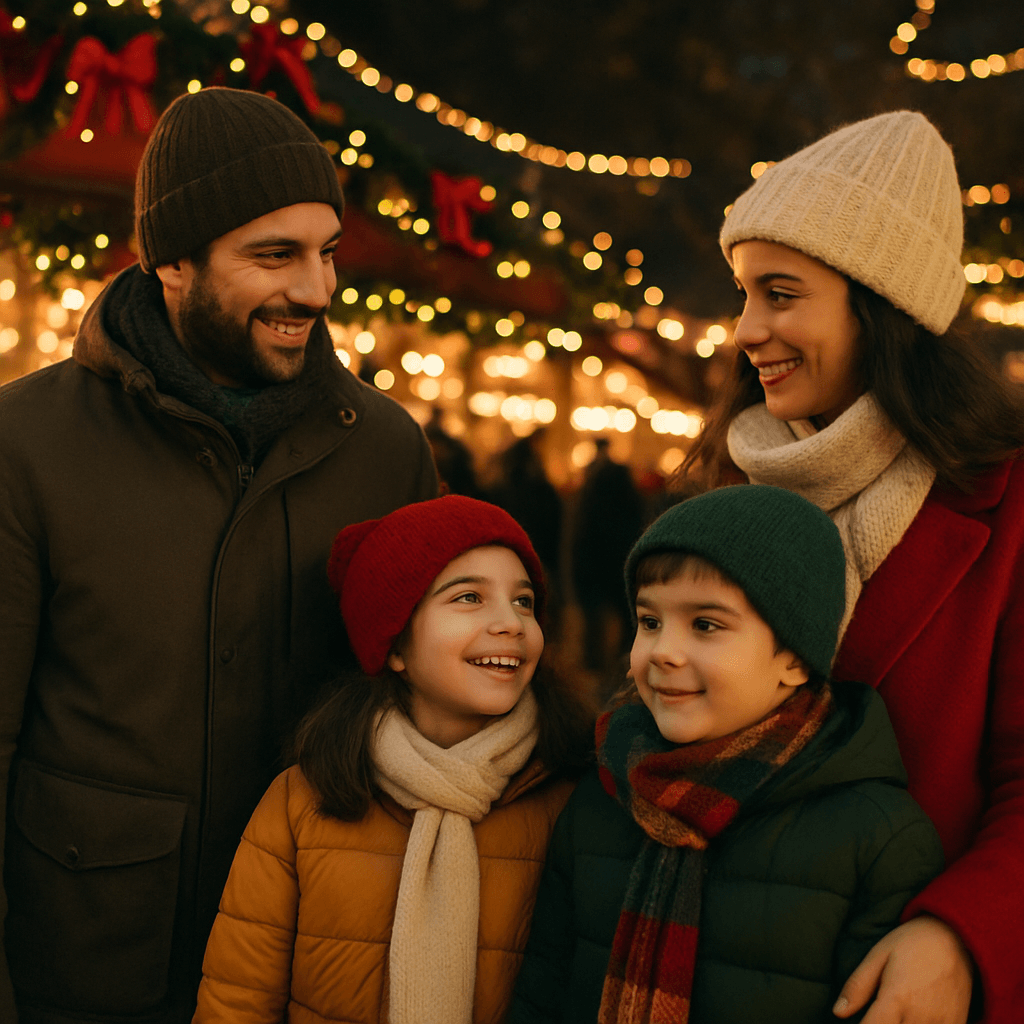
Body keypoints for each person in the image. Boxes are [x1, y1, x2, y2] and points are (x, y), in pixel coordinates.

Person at [0, 87, 437, 1024]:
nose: (315, 289)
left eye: (326, 252)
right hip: (80, 966)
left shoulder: (387, 452)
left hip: (304, 969)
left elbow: (430, 716)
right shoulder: (24, 445)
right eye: (273, 255)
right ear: (171, 262)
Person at [679, 110, 1024, 1023]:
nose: (748, 330)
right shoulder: (727, 484)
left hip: (890, 983)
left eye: (781, 293)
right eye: (744, 294)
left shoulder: (1007, 505)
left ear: (883, 308)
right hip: (709, 966)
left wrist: (961, 934)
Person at [509, 485, 944, 1023]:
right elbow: (543, 988)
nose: (664, 651)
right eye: (649, 622)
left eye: (706, 625)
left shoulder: (876, 837)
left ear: (794, 657)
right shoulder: (602, 794)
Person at [193, 495, 592, 1023]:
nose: (512, 623)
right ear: (394, 645)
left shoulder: (571, 800)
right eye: (469, 597)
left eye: (523, 602)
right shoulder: (304, 800)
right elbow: (237, 1001)